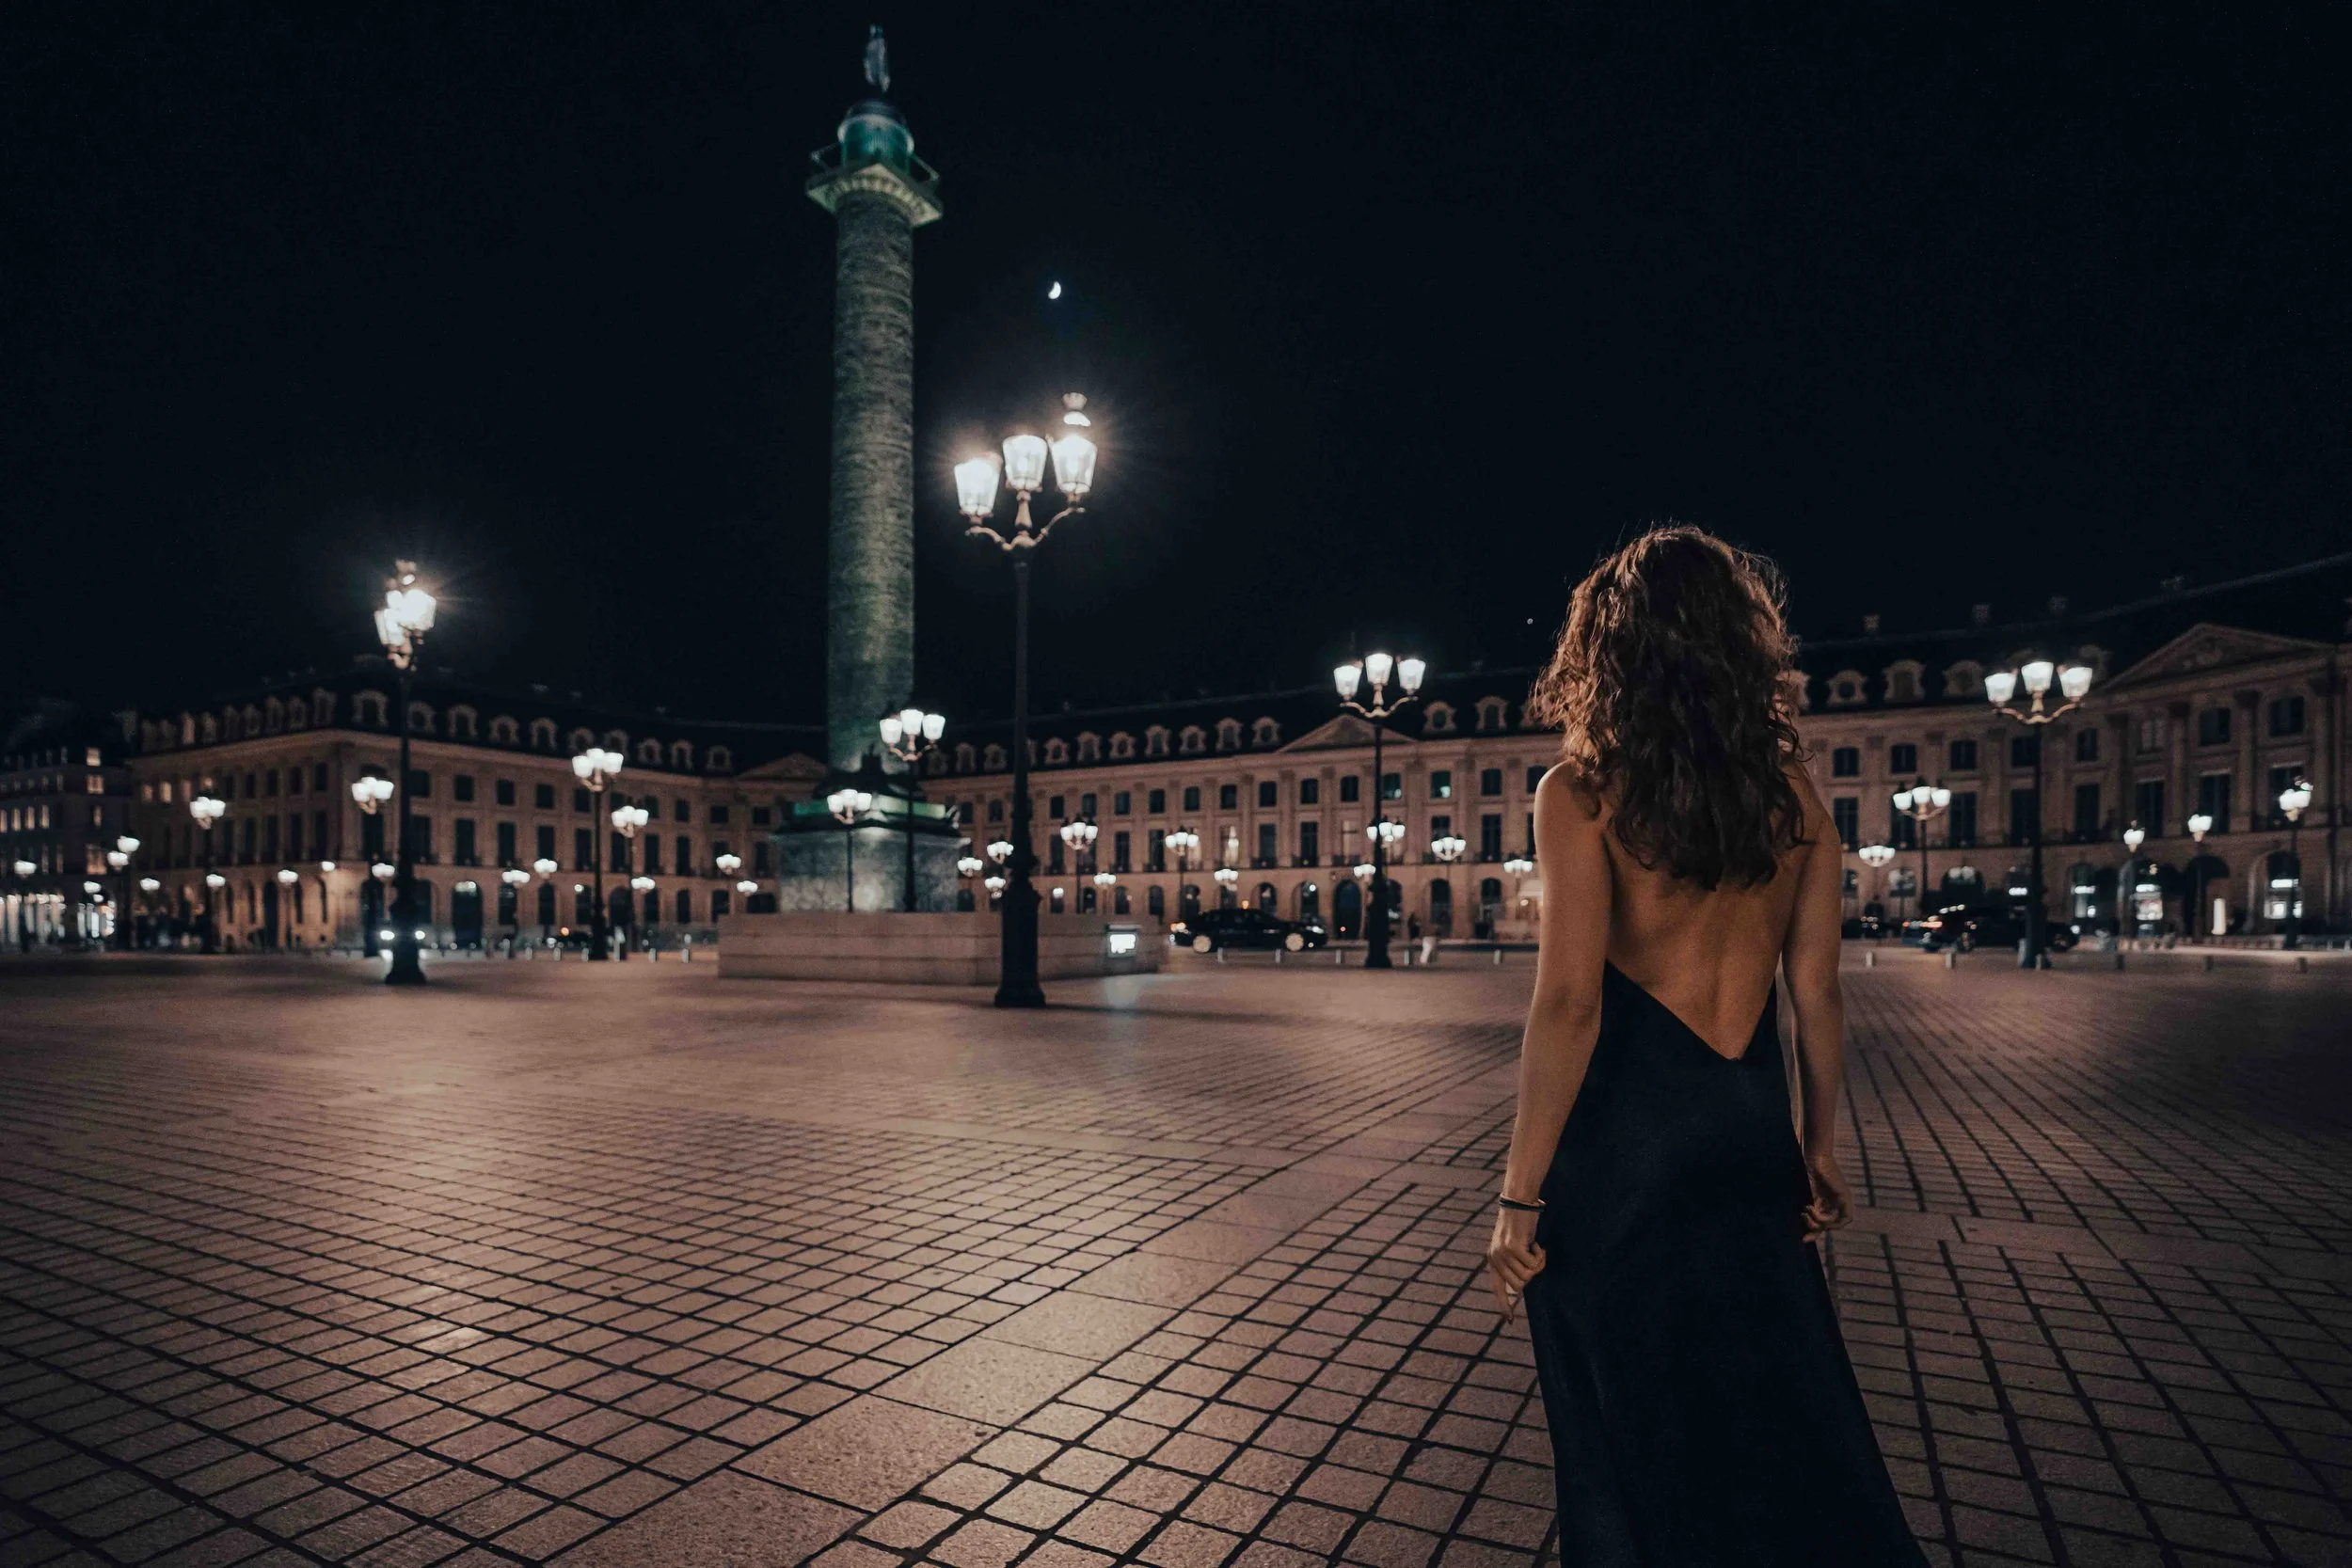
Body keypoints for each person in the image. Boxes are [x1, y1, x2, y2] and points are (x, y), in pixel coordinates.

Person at [1486, 526, 1925, 1564]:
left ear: (1609, 650)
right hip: (1748, 1133)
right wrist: (1817, 1145)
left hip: (1624, 1147)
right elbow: (1816, 992)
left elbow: (1569, 1003)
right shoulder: (1793, 797)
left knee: (1619, 1414)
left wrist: (1519, 1191)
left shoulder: (1581, 792)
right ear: (1741, 642)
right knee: (1770, 1403)